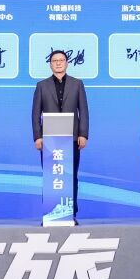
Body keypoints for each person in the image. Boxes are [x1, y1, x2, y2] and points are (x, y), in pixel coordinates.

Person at [31, 49, 89, 223]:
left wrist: (83, 134)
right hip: (49, 140)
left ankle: (71, 213)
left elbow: (83, 110)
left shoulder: (77, 84)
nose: (58, 63)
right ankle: (50, 213)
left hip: (72, 139)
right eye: (54, 60)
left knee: (71, 176)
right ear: (50, 64)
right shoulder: (42, 86)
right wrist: (37, 136)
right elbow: (35, 113)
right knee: (51, 177)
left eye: (61, 60)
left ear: (67, 63)